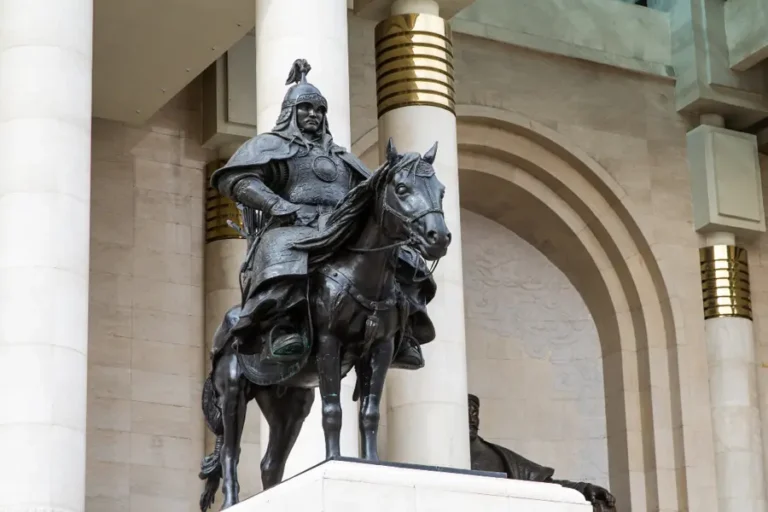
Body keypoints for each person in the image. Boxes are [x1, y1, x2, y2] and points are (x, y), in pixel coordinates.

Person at [210, 58, 434, 369]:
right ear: (291, 112)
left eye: (319, 110)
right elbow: (237, 179)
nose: (313, 115)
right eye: (305, 108)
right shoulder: (271, 145)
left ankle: (404, 331)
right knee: (283, 251)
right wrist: (277, 205)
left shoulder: (342, 156)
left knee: (403, 256)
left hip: (342, 226)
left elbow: (373, 192)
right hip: (293, 224)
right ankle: (282, 326)